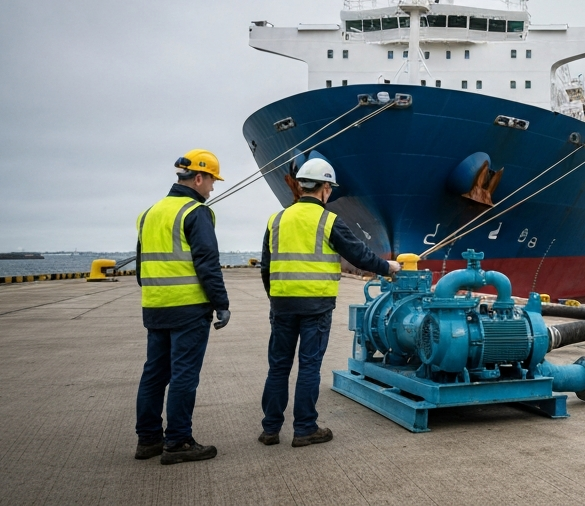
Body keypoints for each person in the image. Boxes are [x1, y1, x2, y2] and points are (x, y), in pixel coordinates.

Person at [259, 157, 400, 447]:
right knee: (309, 366)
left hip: (282, 305)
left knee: (278, 367)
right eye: (329, 188)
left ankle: (270, 429)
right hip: (316, 307)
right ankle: (305, 429)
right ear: (324, 188)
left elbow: (265, 267)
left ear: (299, 187)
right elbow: (358, 255)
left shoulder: (276, 220)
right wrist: (388, 268)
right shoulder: (328, 220)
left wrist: (276, 298)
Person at [134, 149, 231, 465]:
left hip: (155, 306)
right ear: (199, 177)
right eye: (212, 181)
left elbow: (140, 266)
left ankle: (148, 440)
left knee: (154, 374)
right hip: (189, 309)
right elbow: (207, 263)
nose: (212, 188)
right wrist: (221, 304)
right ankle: (177, 442)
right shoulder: (195, 212)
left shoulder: (149, 213)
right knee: (184, 376)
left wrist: (155, 295)